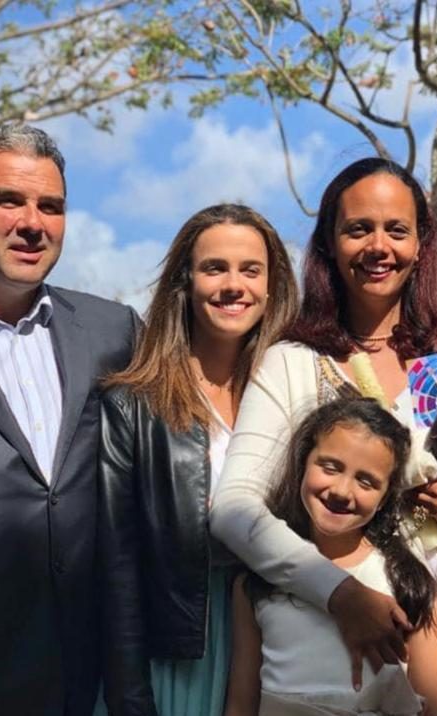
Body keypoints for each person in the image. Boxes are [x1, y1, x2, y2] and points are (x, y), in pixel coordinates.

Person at [212, 157, 437, 715]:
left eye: (396, 230)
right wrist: (338, 593)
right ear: (329, 244)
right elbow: (233, 510)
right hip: (345, 626)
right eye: (359, 228)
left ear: (422, 244)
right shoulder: (292, 362)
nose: (379, 246)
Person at [0, 124, 139, 715]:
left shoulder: (112, 332)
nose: (33, 223)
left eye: (51, 206)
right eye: (9, 201)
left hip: (80, 675)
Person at [96, 204, 298, 716]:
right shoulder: (132, 404)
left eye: (250, 270)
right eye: (215, 268)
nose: (234, 285)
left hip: (282, 641)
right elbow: (116, 567)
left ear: (271, 285)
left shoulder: (295, 396)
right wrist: (130, 695)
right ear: (184, 282)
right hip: (178, 649)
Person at [225, 398, 437, 716]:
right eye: (330, 467)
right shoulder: (255, 584)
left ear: (385, 498)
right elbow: (240, 703)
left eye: (366, 481)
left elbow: (435, 707)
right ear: (303, 462)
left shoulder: (407, 580)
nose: (342, 491)